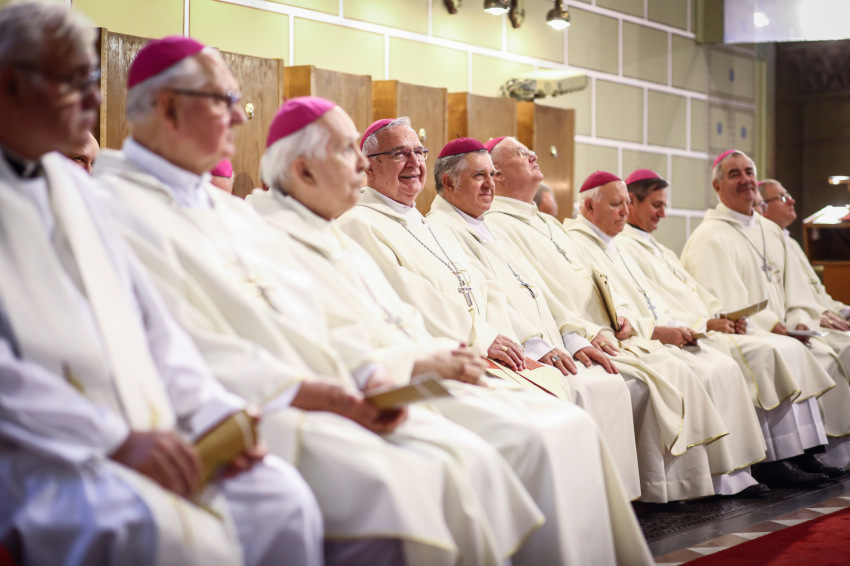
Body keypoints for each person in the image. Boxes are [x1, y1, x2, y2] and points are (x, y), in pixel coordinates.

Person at [94, 39, 542, 566]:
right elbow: (178, 341)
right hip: (249, 405)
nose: (239, 116)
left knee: (464, 461)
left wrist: (368, 373)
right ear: (169, 108)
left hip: (327, 384)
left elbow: (309, 313)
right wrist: (327, 387)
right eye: (224, 100)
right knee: (403, 484)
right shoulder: (114, 209)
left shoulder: (231, 215)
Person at [0, 3, 322, 566]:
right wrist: (113, 438)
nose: (95, 100)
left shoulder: (77, 189)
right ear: (11, 84)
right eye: (74, 82)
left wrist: (216, 416)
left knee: (280, 498)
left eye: (93, 80)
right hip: (42, 448)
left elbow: (153, 327)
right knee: (162, 535)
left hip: (144, 425)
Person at [336, 117, 653, 565]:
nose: (413, 163)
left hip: (482, 350)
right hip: (446, 359)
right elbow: (412, 302)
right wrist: (484, 338)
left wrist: (522, 339)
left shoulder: (420, 223)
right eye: (398, 154)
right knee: (554, 427)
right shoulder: (360, 224)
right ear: (368, 166)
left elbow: (486, 292)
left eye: (418, 152)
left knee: (574, 421)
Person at [485, 136, 745, 502]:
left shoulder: (547, 223)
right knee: (655, 376)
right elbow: (538, 292)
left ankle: (696, 482)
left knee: (698, 366)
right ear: (496, 174)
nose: (533, 155)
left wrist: (615, 323)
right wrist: (582, 333)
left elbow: (596, 287)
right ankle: (646, 491)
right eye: (520, 153)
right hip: (571, 337)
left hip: (599, 331)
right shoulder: (497, 224)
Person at [424, 137, 642, 499]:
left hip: (547, 343)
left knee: (606, 381)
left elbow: (538, 289)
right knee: (581, 388)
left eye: (491, 175)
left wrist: (573, 336)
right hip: (514, 350)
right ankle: (580, 501)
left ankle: (611, 501)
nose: (490, 184)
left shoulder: (486, 225)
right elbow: (487, 304)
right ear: (449, 182)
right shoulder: (443, 229)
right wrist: (537, 346)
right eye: (479, 176)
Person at [621, 168, 841, 487]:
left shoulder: (656, 247)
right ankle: (776, 458)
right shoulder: (628, 246)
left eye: (664, 205)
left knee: (785, 348)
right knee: (768, 353)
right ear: (632, 202)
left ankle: (802, 451)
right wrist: (706, 322)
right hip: (689, 331)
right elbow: (657, 305)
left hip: (706, 325)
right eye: (656, 205)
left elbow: (697, 292)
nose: (663, 213)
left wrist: (722, 315)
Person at [681, 150, 850, 468]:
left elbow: (797, 289)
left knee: (831, 350)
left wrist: (800, 320)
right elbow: (724, 300)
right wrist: (774, 324)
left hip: (789, 329)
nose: (745, 180)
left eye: (749, 172)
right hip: (749, 331)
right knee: (783, 353)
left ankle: (823, 451)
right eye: (734, 174)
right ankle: (786, 456)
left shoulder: (770, 230)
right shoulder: (709, 236)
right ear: (717, 186)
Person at [759, 179, 850, 330]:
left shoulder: (791, 242)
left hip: (826, 314)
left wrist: (843, 310)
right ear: (763, 207)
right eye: (782, 197)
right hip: (806, 320)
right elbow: (785, 296)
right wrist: (819, 313)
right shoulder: (765, 245)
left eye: (788, 195)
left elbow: (817, 290)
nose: (791, 201)